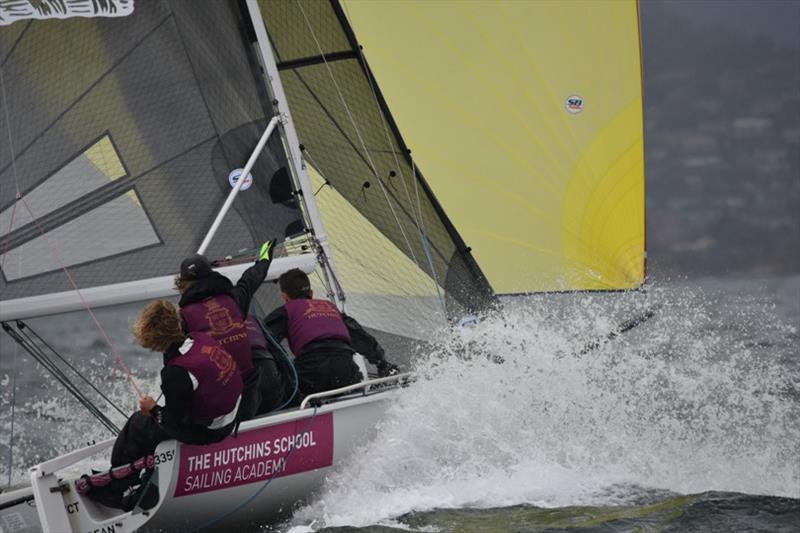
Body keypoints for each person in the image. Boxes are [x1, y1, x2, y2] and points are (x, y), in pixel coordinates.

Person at [89, 299, 242, 509]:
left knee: (138, 423)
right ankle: (133, 474)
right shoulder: (200, 338)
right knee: (153, 422)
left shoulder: (176, 373)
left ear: (152, 340)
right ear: (178, 324)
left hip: (214, 431)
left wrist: (152, 410)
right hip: (234, 413)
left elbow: (174, 425)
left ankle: (115, 489)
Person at [175, 240, 284, 418]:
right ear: (211, 275)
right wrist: (264, 257)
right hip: (257, 394)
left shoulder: (183, 318)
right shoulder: (234, 299)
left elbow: (177, 366)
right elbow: (252, 277)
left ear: (182, 284)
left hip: (226, 406)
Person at [261, 268, 399, 403]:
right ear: (311, 292)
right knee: (349, 383)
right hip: (345, 370)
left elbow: (264, 342)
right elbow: (360, 336)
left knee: (282, 393)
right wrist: (382, 363)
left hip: (311, 373)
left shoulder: (286, 311)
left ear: (285, 297)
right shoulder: (330, 308)